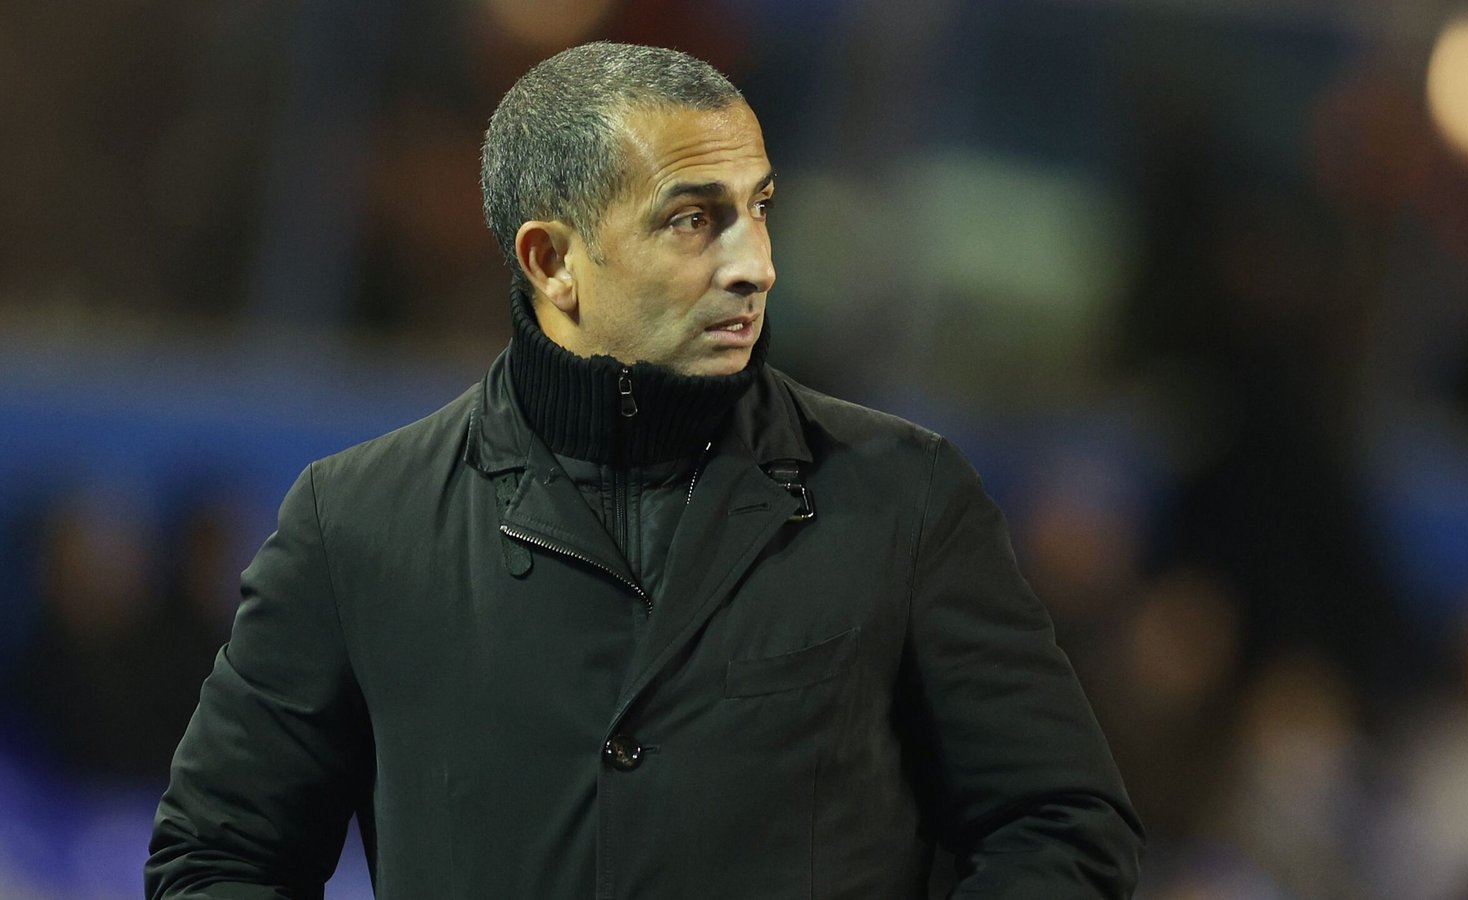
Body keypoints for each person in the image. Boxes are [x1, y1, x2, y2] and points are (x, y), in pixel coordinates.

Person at [146, 41, 1141, 899]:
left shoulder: (905, 497)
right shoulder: (355, 521)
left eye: (758, 209)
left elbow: (1059, 824)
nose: (756, 264)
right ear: (550, 260)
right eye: (693, 220)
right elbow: (216, 851)